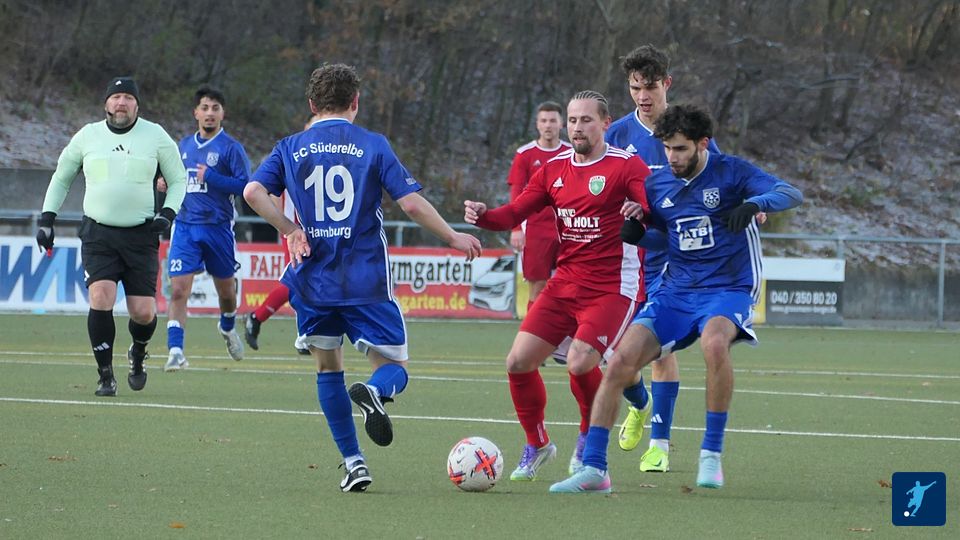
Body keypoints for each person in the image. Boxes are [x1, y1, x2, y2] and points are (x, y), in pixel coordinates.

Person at [243, 63, 481, 492]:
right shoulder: (372, 144)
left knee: (327, 368)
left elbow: (252, 192)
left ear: (312, 104)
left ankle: (354, 462)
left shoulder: (289, 146)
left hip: (312, 277)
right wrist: (451, 236)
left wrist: (291, 229)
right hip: (364, 277)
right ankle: (376, 391)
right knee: (395, 367)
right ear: (355, 101)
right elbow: (411, 204)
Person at [549, 104, 803, 493]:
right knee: (618, 362)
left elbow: (790, 193)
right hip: (677, 290)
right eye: (667, 148)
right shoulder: (658, 185)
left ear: (702, 144)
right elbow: (666, 238)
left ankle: (710, 455)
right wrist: (639, 235)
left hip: (728, 287)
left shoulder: (732, 172)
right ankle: (595, 469)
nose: (672, 157)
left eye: (681, 149)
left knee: (714, 343)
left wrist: (755, 203)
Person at [464, 90, 650, 483]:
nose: (577, 127)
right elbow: (516, 211)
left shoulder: (626, 166)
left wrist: (640, 212)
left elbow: (653, 211)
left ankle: (586, 439)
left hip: (612, 287)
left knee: (581, 362)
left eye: (586, 120)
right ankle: (538, 444)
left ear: (605, 123)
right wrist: (484, 216)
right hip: (565, 282)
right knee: (517, 362)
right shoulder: (553, 170)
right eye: (573, 120)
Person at [605, 44, 721, 473]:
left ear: (666, 83)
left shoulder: (688, 131)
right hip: (624, 258)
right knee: (614, 354)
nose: (642, 96)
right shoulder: (618, 134)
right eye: (635, 87)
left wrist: (752, 204)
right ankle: (639, 404)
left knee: (660, 350)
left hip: (671, 259)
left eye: (650, 87)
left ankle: (660, 445)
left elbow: (720, 181)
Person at [36, 76, 187, 396]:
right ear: (106, 103)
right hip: (98, 234)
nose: (122, 103)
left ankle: (138, 353)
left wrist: (168, 213)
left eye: (128, 98)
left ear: (137, 105)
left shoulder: (156, 136)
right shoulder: (87, 136)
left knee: (143, 313)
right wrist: (47, 218)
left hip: (141, 235)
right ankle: (105, 376)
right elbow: (61, 177)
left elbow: (178, 179)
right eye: (116, 97)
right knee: (100, 297)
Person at [161, 86, 251, 371]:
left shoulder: (231, 148)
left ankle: (227, 326)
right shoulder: (183, 146)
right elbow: (174, 178)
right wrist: (164, 183)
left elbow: (245, 187)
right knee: (178, 291)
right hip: (185, 227)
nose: (209, 113)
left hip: (218, 228)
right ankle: (176, 351)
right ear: (196, 113)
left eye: (215, 108)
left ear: (222, 114)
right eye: (205, 108)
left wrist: (211, 177)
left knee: (226, 293)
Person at [243, 114, 322, 356]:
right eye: (312, 126)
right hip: (296, 233)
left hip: (322, 232)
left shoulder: (327, 157)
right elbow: (268, 193)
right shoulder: (292, 155)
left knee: (308, 281)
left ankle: (270, 322)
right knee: (298, 280)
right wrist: (284, 227)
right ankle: (262, 319)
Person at [507, 101, 571, 307]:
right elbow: (516, 192)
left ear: (561, 124)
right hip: (536, 229)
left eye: (552, 120)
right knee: (538, 286)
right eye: (543, 121)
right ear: (537, 124)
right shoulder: (525, 154)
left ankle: (567, 327)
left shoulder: (572, 152)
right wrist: (516, 228)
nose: (548, 125)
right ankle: (533, 327)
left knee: (571, 284)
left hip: (570, 227)